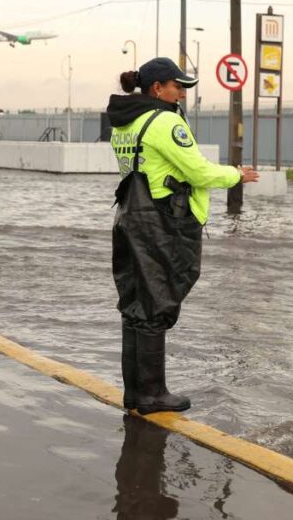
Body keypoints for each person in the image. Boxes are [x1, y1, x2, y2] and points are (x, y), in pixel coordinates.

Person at [108, 57, 259, 415]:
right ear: (157, 88)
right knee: (158, 302)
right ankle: (153, 394)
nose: (181, 94)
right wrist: (236, 175)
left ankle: (135, 393)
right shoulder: (164, 122)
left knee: (135, 305)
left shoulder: (124, 123)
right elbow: (198, 171)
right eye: (177, 86)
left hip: (130, 218)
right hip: (162, 223)